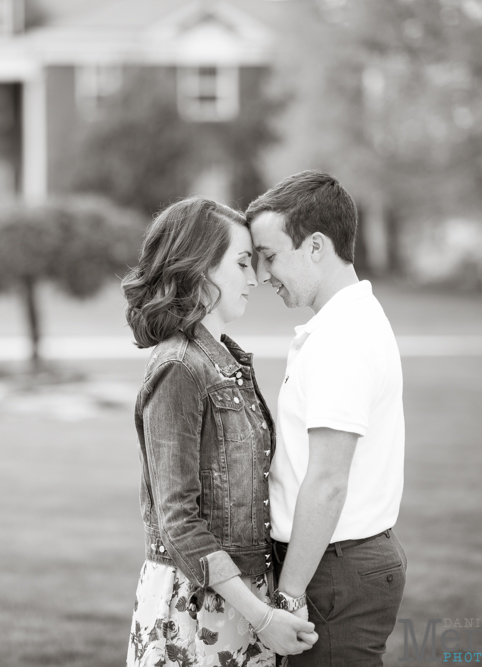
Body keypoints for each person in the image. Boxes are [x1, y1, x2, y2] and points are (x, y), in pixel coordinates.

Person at [122, 196, 317, 667]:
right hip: (196, 609)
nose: (255, 278)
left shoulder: (225, 362)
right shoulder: (179, 368)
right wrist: (261, 616)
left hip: (240, 602)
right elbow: (179, 521)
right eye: (244, 262)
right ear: (201, 266)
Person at [246, 171, 407, 666]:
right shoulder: (339, 326)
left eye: (270, 256)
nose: (263, 274)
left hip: (333, 569)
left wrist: (290, 594)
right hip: (332, 561)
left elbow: (329, 480)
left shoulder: (343, 339)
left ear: (316, 246)